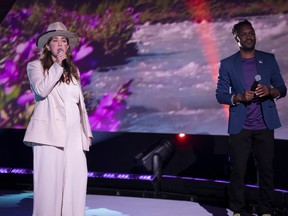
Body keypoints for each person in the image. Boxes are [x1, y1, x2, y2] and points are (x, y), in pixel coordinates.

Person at [216, 19, 287, 216]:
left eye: (251, 32)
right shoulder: (228, 64)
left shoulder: (269, 59)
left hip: (265, 124)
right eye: (244, 33)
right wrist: (238, 97)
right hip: (241, 126)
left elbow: (282, 88)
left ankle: (265, 210)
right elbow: (220, 94)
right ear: (236, 38)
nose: (249, 36)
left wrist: (270, 91)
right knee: (238, 170)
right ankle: (237, 210)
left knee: (266, 170)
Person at [23, 22, 93, 216]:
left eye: (64, 40)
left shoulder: (74, 71)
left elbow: (80, 105)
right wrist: (57, 65)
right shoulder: (35, 66)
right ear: (47, 46)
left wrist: (87, 133)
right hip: (48, 134)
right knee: (49, 186)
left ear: (68, 46)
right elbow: (41, 90)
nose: (60, 44)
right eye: (55, 40)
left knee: (75, 183)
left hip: (74, 134)